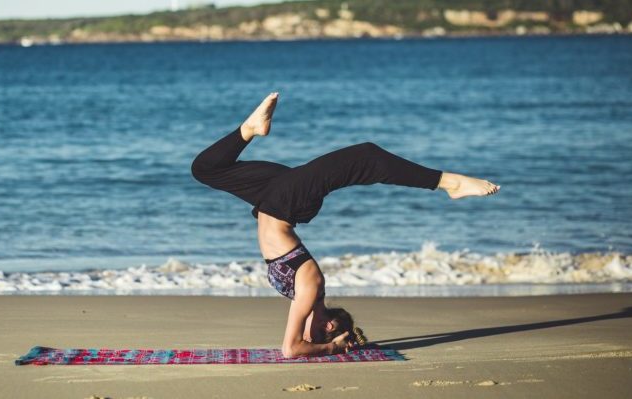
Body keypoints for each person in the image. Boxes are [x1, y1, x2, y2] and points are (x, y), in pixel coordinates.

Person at [191, 93, 499, 358]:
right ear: (329, 324)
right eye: (322, 332)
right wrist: (334, 346)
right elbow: (293, 348)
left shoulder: (303, 297)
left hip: (272, 198)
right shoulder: (311, 287)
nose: (311, 333)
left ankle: (250, 129)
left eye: (316, 337)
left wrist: (332, 346)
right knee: (366, 155)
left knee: (205, 169)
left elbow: (291, 348)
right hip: (286, 203)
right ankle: (450, 183)